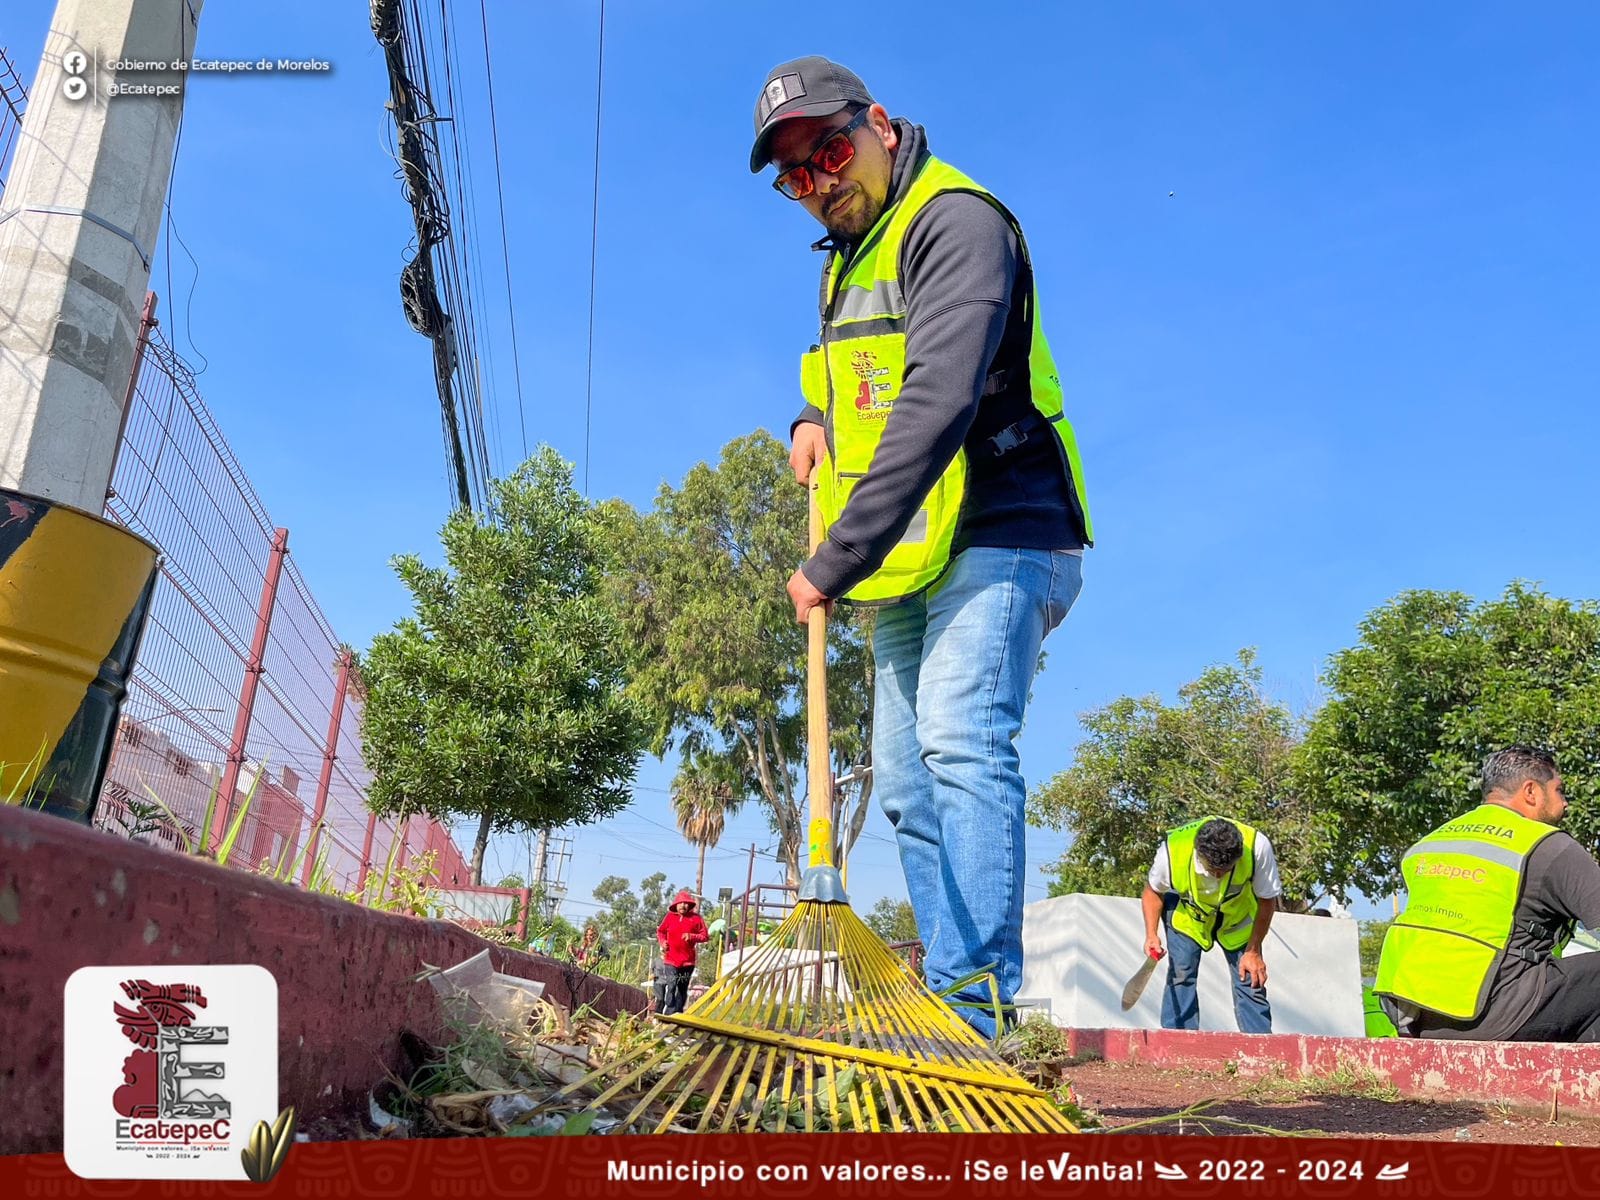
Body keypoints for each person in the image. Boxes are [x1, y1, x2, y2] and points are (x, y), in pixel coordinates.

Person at [751, 56, 1093, 1039]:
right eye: (795, 174)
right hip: (909, 548)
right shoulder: (844, 255)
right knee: (901, 786)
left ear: (880, 125)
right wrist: (811, 413)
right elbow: (855, 371)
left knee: (956, 738)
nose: (819, 179)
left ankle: (977, 1010)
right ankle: (952, 1004)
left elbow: (934, 398)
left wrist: (829, 563)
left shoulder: (957, 222)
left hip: (1002, 517)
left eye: (828, 149)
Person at [1376, 746, 1600, 1042]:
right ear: (1531, 792)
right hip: (1497, 1017)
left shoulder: (1432, 841)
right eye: (1559, 791)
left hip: (1417, 1021)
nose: (1565, 804)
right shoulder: (1547, 845)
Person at [1140, 817, 1280, 1033]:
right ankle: (1179, 1044)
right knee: (1181, 973)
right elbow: (1153, 893)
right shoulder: (1172, 851)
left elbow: (1267, 900)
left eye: (1225, 870)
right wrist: (1151, 934)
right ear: (1198, 852)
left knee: (1251, 977)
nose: (1218, 876)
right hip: (1190, 919)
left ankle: (1261, 1050)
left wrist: (1253, 951)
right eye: (1213, 869)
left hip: (1237, 919)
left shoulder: (1257, 847)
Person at [656, 890, 710, 1016]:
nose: (683, 906)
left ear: (690, 905)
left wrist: (692, 936)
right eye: (680, 903)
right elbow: (661, 931)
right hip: (670, 960)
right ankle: (669, 1012)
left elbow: (705, 936)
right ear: (676, 905)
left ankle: (678, 1013)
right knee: (672, 984)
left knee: (682, 987)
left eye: (686, 903)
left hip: (687, 962)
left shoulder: (696, 919)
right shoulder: (670, 917)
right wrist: (663, 942)